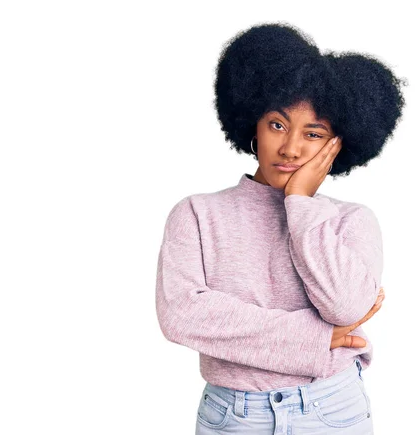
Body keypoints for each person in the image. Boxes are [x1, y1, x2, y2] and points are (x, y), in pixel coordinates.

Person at [155, 22, 406, 434]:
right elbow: (182, 316)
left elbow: (344, 307)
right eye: (277, 125)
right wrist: (316, 337)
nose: (290, 147)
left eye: (313, 133)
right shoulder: (197, 214)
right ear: (253, 125)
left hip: (331, 409)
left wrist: (301, 203)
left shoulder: (351, 221)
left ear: (336, 146)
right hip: (233, 415)